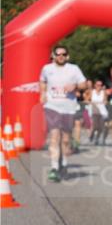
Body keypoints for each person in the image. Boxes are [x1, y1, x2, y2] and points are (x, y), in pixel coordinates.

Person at [38, 45, 87, 182]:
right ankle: (54, 167)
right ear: (53, 55)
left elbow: (84, 84)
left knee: (65, 139)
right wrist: (42, 93)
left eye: (63, 54)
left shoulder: (74, 69)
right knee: (54, 135)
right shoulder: (47, 69)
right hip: (52, 106)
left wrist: (75, 86)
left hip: (69, 107)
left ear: (67, 56)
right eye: (58, 54)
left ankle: (63, 164)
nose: (60, 56)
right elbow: (42, 81)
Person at [88, 78, 109, 145]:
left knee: (101, 126)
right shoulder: (92, 91)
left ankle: (97, 138)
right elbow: (88, 99)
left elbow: (105, 101)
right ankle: (91, 136)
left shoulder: (104, 92)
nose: (99, 86)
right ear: (95, 85)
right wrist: (91, 103)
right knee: (95, 126)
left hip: (102, 111)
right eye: (97, 85)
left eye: (100, 85)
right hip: (94, 110)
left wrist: (104, 102)